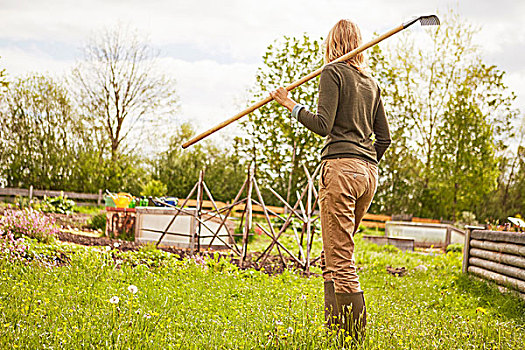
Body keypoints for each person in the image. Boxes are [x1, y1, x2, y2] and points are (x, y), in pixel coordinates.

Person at [270, 19, 391, 340]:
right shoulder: (371, 83)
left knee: (341, 256)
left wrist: (290, 104)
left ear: (332, 44)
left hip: (340, 170)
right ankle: (335, 331)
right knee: (331, 253)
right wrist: (364, 162)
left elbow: (323, 124)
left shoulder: (332, 72)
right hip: (368, 174)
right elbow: (385, 139)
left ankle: (353, 339)